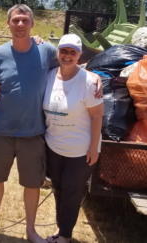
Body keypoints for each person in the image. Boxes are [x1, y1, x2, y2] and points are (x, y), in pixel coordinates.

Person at [0, 5, 102, 243]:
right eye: (15, 20)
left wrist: (93, 74)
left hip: (34, 134)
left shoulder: (46, 51)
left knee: (32, 184)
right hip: (1, 131)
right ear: (8, 24)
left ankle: (31, 231)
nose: (20, 24)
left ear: (32, 24)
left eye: (25, 20)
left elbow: (69, 63)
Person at [43, 34, 104, 243]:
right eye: (63, 51)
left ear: (79, 55)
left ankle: (65, 236)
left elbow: (97, 116)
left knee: (71, 191)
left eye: (72, 52)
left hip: (80, 149)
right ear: (58, 52)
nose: (67, 56)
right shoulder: (50, 75)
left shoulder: (88, 81)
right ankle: (62, 229)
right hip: (54, 145)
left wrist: (93, 148)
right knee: (59, 188)